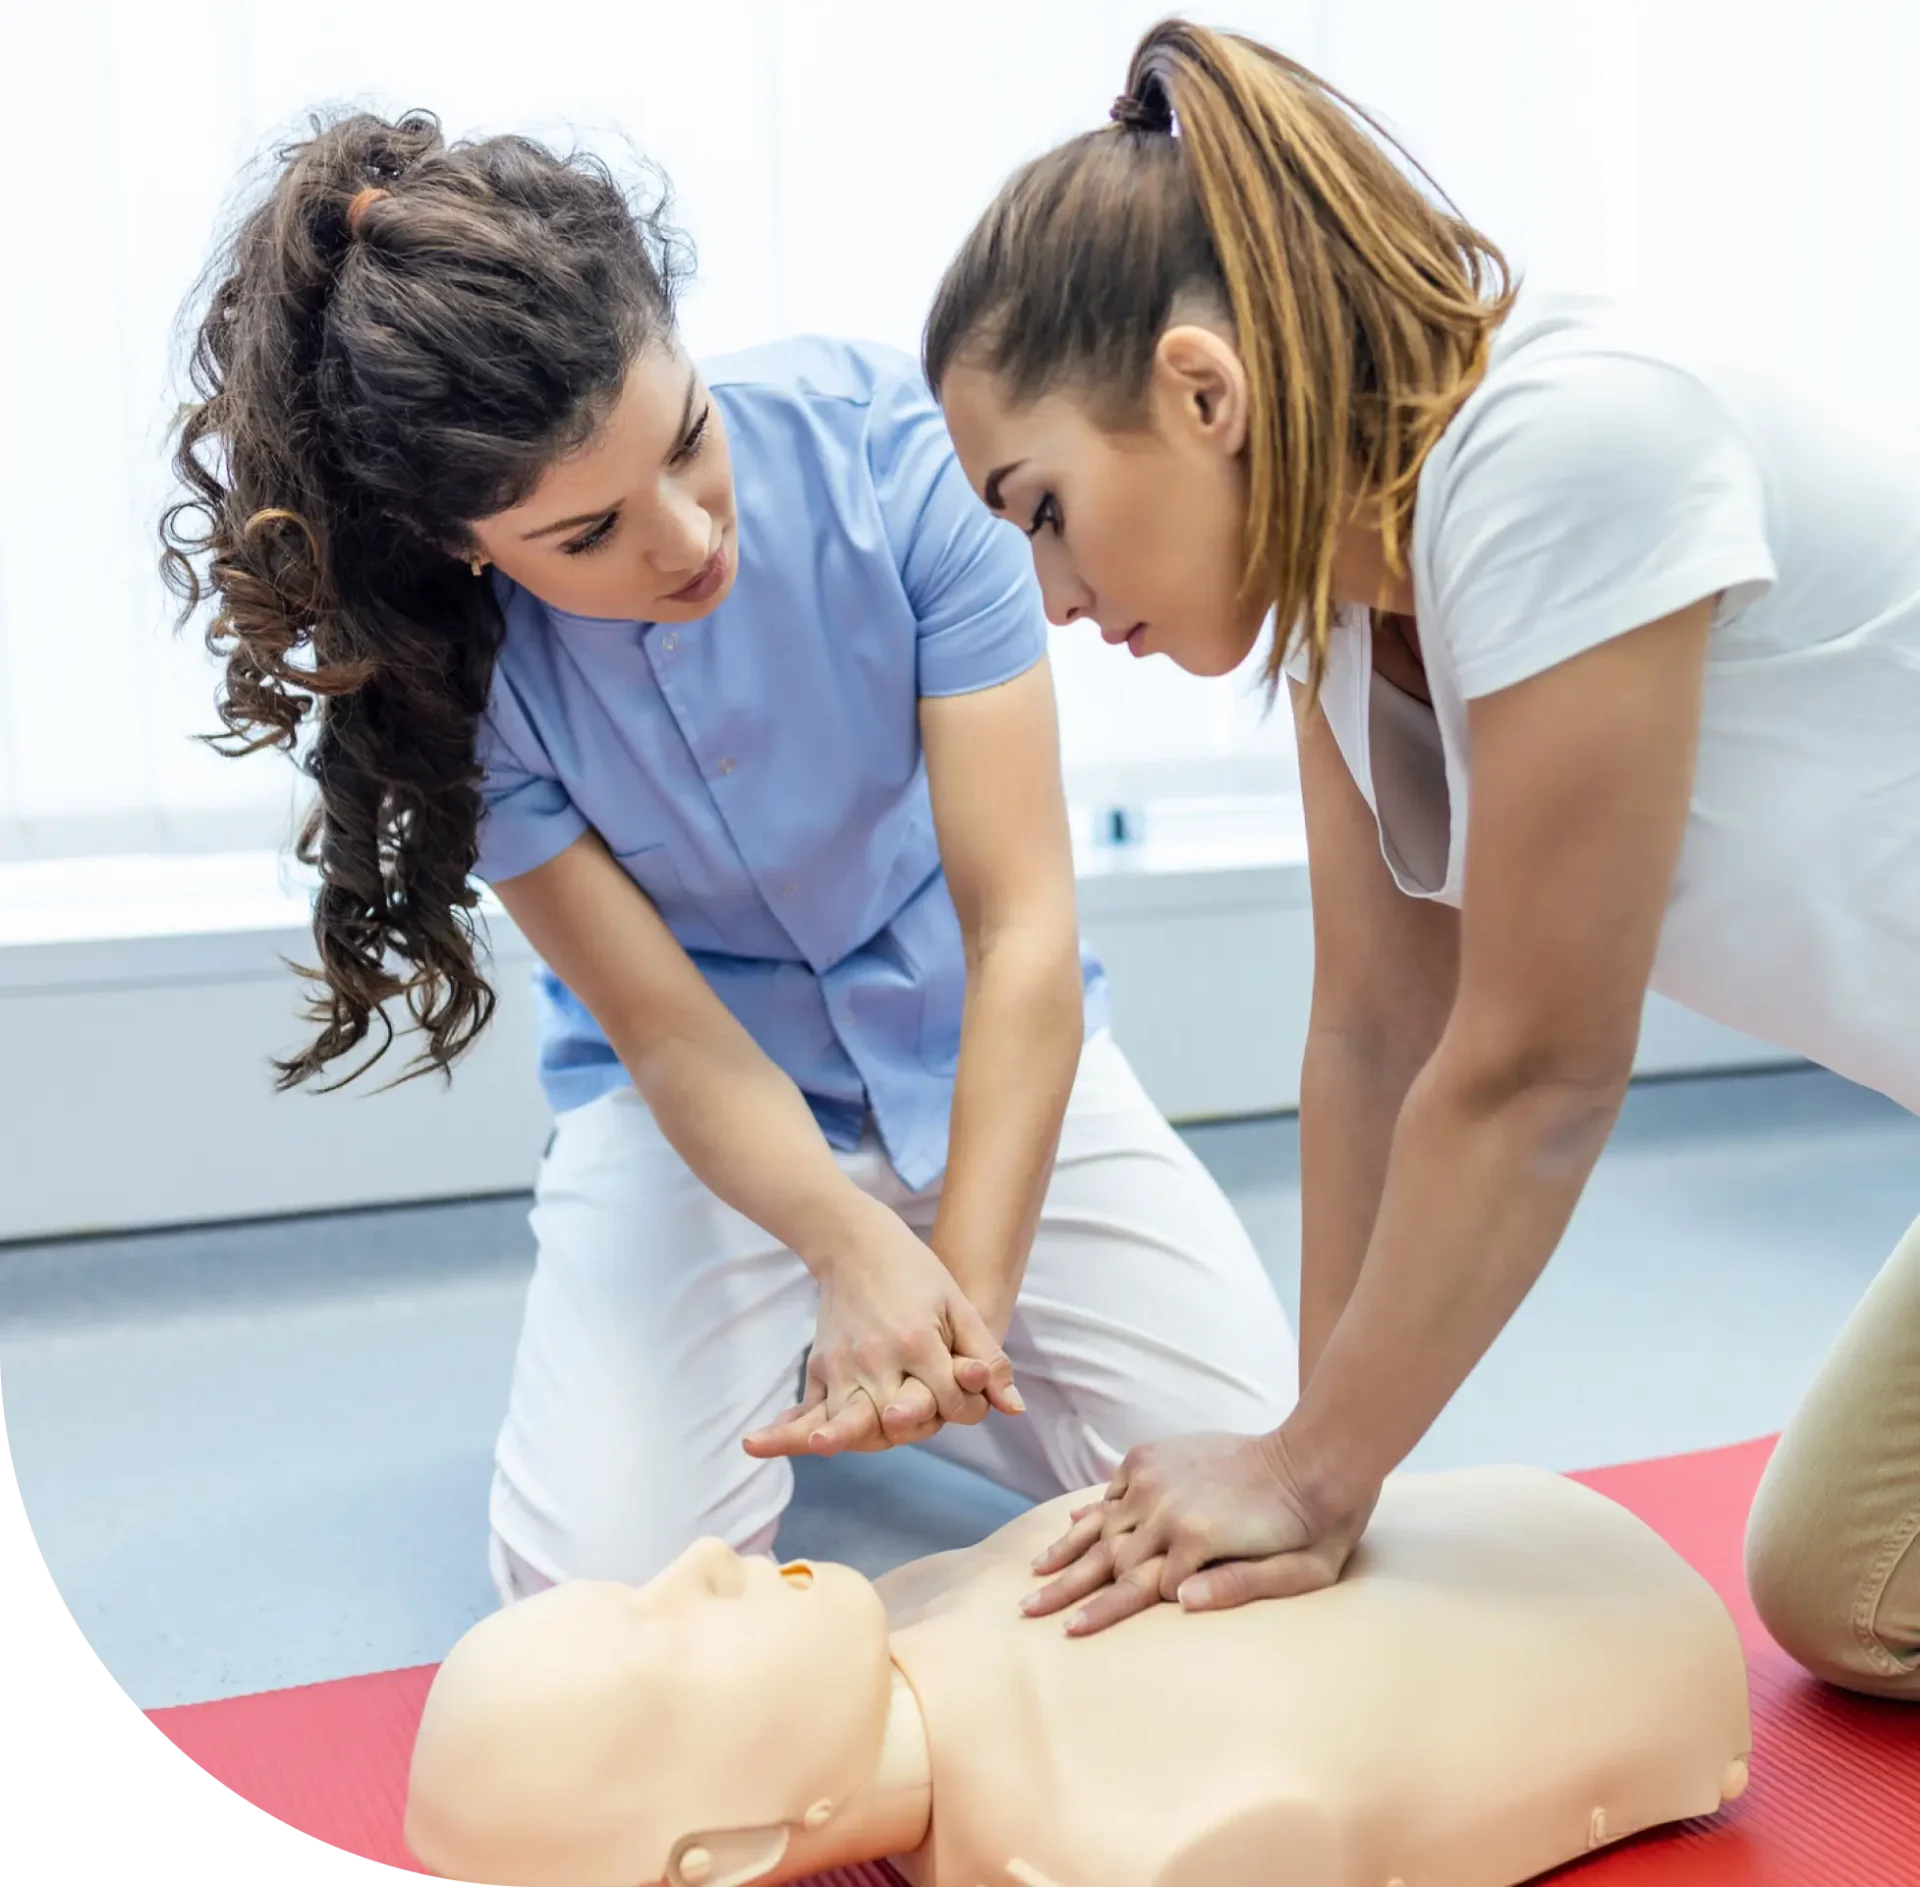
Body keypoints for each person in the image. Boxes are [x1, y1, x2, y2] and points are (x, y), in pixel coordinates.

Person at [160, 109, 1296, 1600]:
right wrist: (838, 1236)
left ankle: (914, 1377)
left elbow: (1021, 925)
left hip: (987, 1046)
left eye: (690, 437)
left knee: (1257, 1475)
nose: (690, 533)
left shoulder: (898, 456)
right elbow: (672, 1037)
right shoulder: (452, 678)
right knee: (595, 1606)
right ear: (466, 546)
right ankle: (845, 1337)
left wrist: (960, 1300)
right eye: (590, 533)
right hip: (700, 1107)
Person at [923, 17, 1920, 1692]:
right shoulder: (1337, 607)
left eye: (1040, 508)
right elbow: (1378, 1036)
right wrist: (1315, 1492)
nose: (1054, 598)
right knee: (1850, 1584)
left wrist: (1309, 1467)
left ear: (1201, 389)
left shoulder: (1564, 451)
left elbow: (1536, 1066)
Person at [403, 1465, 1751, 1887]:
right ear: (731, 1849)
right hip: (1619, 1624)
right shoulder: (1108, 1839)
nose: (699, 1558)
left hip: (1579, 1579)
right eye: (664, 1638)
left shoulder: (925, 1608)